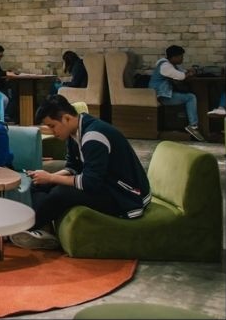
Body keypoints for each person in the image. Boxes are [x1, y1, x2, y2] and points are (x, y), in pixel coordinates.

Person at [11, 95, 151, 250]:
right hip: (105, 182)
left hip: (126, 194)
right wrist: (46, 177)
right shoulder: (75, 131)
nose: (51, 131)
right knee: (38, 183)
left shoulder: (93, 136)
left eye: (52, 126)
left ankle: (23, 227)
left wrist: (51, 177)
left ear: (66, 118)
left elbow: (89, 183)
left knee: (60, 193)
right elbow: (73, 167)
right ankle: (42, 228)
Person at [149, 46, 205, 142]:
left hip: (164, 94)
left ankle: (192, 125)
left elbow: (182, 72)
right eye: (181, 56)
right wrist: (189, 73)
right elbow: (181, 76)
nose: (182, 59)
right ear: (174, 57)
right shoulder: (165, 66)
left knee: (189, 96)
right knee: (191, 97)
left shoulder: (171, 65)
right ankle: (193, 126)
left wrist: (189, 72)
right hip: (160, 97)